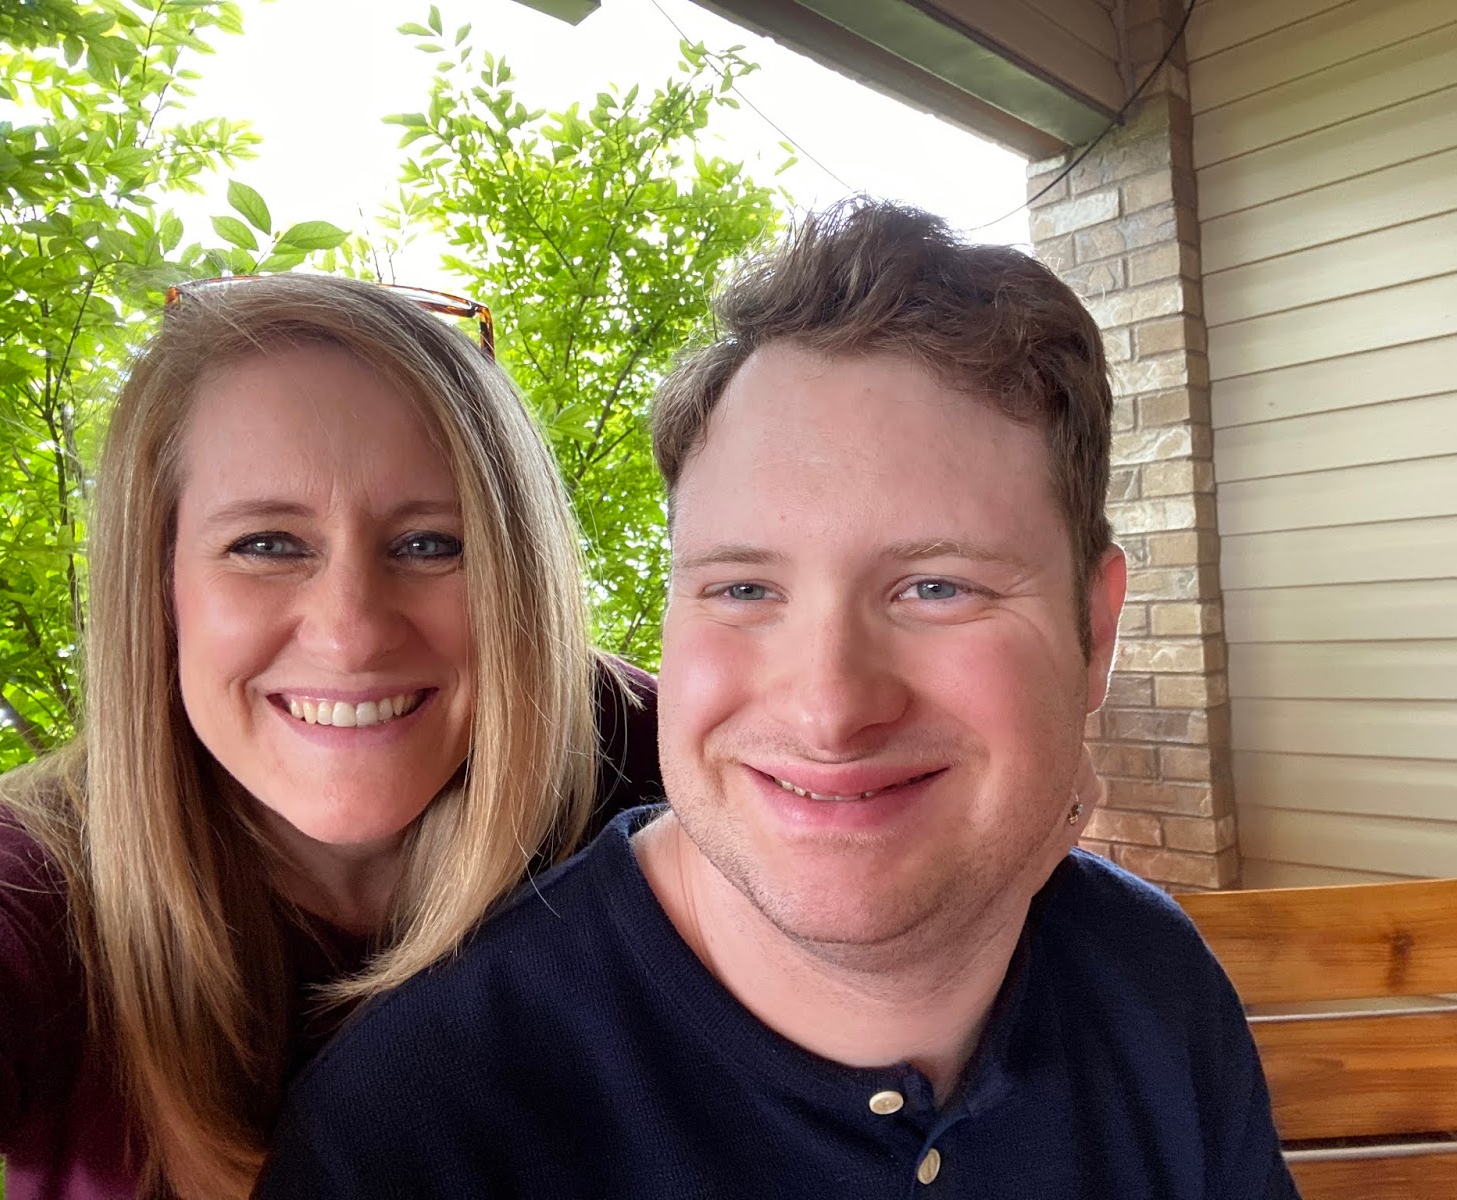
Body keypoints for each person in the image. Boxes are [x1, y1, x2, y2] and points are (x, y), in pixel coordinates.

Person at [258, 199, 1300, 1198]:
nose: (829, 709)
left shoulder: (1151, 983)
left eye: (936, 588)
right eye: (745, 590)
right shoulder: (412, 1137)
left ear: (1096, 632)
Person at [0, 274, 662, 1200]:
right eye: (267, 544)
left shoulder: (660, 758)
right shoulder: (27, 889)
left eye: (431, 544)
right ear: (158, 587)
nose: (351, 632)